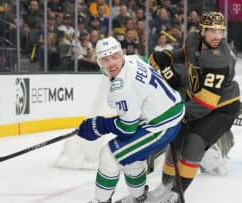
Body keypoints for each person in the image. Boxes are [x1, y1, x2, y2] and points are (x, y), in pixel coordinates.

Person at [76, 36, 185, 203]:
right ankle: (139, 198)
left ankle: (101, 201)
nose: (112, 63)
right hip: (172, 113)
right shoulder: (133, 59)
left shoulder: (121, 88)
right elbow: (144, 61)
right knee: (130, 155)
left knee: (109, 156)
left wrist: (100, 125)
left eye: (114, 57)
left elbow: (127, 128)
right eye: (105, 60)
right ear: (99, 62)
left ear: (121, 54)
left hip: (160, 127)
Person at [147, 11, 241, 202]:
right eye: (212, 31)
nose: (217, 36)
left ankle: (174, 195)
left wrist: (181, 114)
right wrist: (167, 57)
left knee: (194, 143)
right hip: (198, 100)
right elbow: (185, 53)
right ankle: (164, 187)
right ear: (202, 30)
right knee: (176, 141)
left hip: (222, 108)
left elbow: (206, 102)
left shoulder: (219, 60)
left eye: (220, 31)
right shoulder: (193, 39)